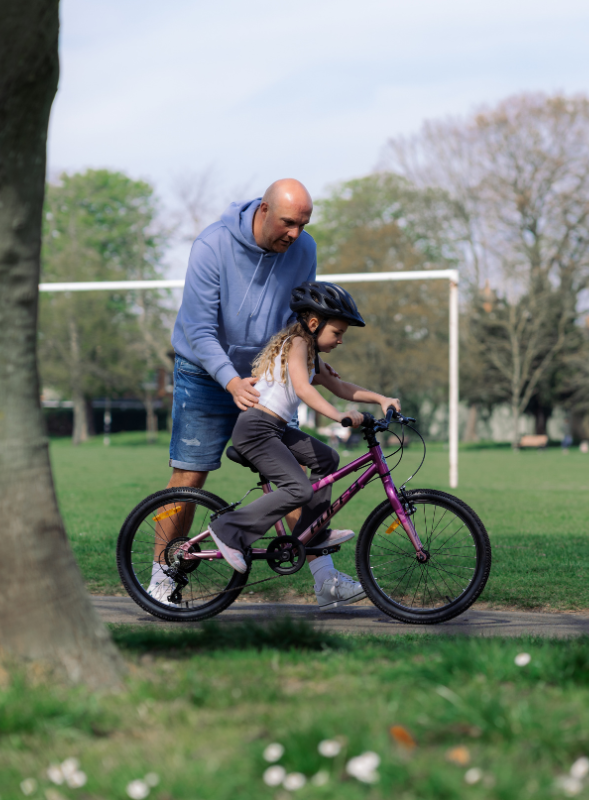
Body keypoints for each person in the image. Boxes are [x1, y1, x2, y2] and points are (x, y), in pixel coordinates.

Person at [148, 180, 359, 604]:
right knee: (189, 474)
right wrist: (229, 379)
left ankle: (325, 580)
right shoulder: (213, 245)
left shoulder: (304, 249)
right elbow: (199, 328)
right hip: (206, 373)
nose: (295, 234)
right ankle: (163, 576)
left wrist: (309, 360)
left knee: (292, 474)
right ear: (263, 210)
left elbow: (300, 317)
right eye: (287, 223)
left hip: (267, 376)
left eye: (303, 224)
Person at [205, 281, 401, 609]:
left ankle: (313, 532)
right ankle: (229, 531)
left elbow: (339, 386)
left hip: (276, 430)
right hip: (256, 429)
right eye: (337, 332)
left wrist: (381, 399)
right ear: (314, 324)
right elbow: (303, 388)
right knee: (298, 489)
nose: (340, 340)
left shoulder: (311, 353)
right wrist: (338, 416)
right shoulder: (297, 343)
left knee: (327, 458)